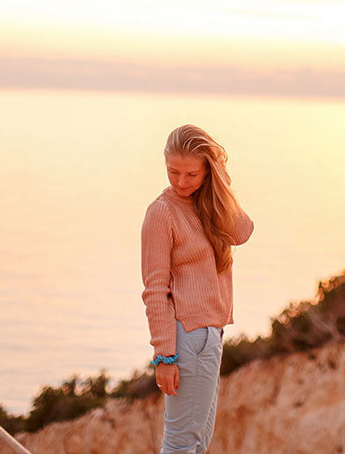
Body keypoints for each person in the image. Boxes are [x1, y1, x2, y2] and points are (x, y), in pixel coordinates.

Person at [141, 125, 254, 454]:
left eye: (191, 173)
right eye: (173, 171)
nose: (180, 182)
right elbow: (154, 290)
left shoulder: (206, 207)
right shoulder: (161, 213)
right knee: (181, 445)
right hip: (186, 338)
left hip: (210, 336)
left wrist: (220, 186)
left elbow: (243, 231)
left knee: (197, 444)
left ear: (208, 170)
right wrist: (164, 356)